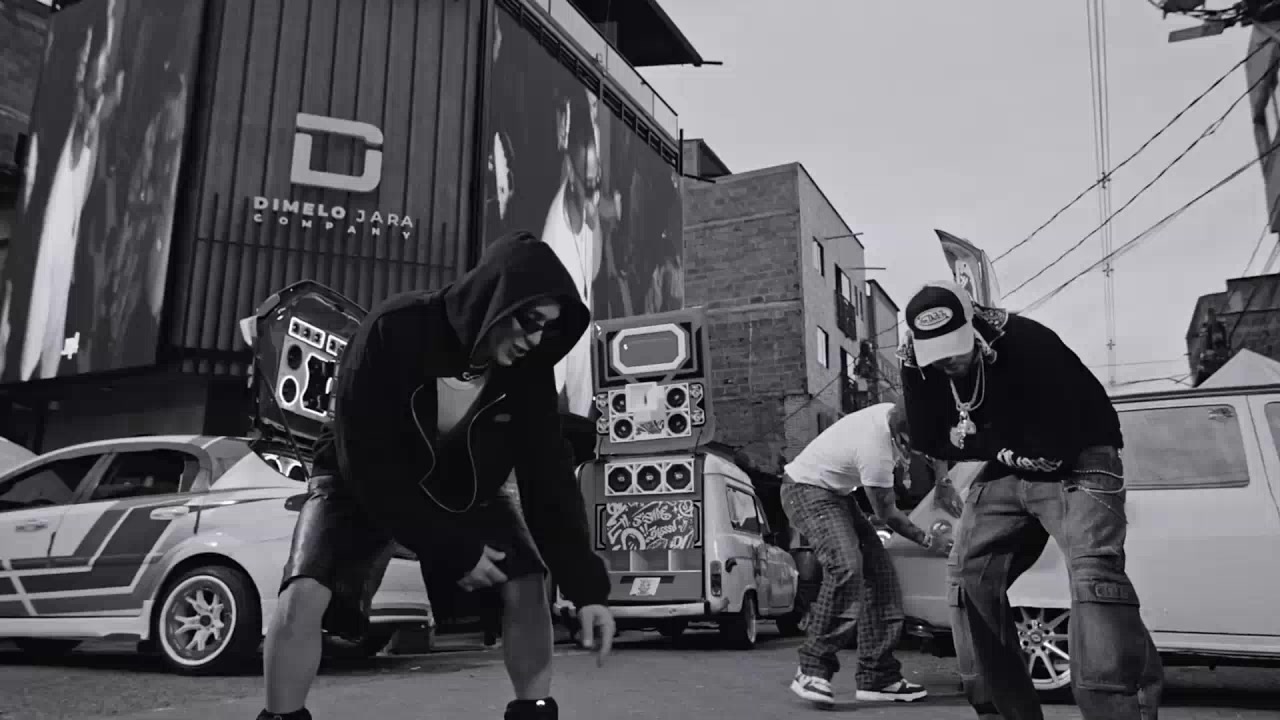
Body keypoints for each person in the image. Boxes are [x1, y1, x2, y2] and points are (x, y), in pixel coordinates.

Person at [256, 231, 616, 720]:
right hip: (356, 475)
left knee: (526, 582)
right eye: (530, 321)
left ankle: (532, 711)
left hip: (465, 483)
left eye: (547, 329)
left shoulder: (529, 373)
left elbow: (548, 478)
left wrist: (588, 591)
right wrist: (448, 546)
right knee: (305, 590)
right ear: (496, 298)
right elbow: (368, 462)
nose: (536, 339)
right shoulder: (394, 329)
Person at [897, 280, 1163, 720]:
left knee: (1093, 575)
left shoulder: (1029, 344)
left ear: (975, 325)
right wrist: (991, 445)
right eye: (935, 352)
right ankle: (1005, 710)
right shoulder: (916, 362)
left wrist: (977, 440)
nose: (947, 360)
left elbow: (1052, 447)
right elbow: (929, 437)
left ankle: (1120, 710)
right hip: (1008, 462)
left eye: (954, 347)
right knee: (968, 576)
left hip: (1081, 455)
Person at [781, 400, 949, 707]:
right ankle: (811, 668)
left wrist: (943, 481)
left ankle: (878, 676)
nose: (912, 456)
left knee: (881, 577)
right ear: (900, 437)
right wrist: (927, 540)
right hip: (805, 490)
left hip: (838, 494)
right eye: (910, 449)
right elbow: (888, 515)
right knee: (846, 566)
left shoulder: (909, 414)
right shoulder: (876, 449)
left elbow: (937, 448)